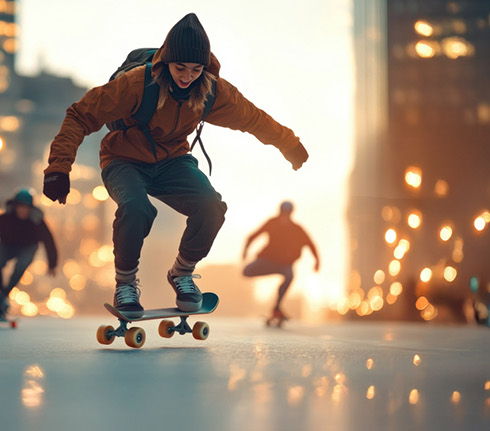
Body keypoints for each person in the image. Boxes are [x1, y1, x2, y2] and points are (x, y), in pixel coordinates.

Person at [42, 13, 309, 318]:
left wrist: (288, 143)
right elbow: (80, 115)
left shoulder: (212, 91)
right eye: (180, 68)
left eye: (195, 69)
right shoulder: (135, 85)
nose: (187, 76)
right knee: (137, 208)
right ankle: (125, 285)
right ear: (165, 62)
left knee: (211, 206)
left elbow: (253, 118)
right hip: (124, 160)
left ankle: (182, 274)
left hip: (173, 161)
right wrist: (58, 169)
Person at [0, 189, 61, 322]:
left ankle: (3, 296)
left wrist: (52, 263)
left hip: (28, 248)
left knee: (20, 266)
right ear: (15, 207)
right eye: (20, 207)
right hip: (6, 246)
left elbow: (49, 241)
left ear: (30, 209)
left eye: (25, 208)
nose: (22, 211)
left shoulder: (37, 221)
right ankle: (2, 295)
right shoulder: (6, 218)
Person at [242, 201, 320, 326]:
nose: (284, 218)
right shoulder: (272, 223)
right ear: (279, 213)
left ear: (290, 214)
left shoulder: (296, 229)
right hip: (267, 261)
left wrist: (317, 261)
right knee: (245, 272)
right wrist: (245, 251)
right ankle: (276, 307)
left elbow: (311, 244)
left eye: (287, 215)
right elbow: (252, 236)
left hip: (284, 265)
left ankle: (277, 308)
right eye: (282, 215)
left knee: (289, 275)